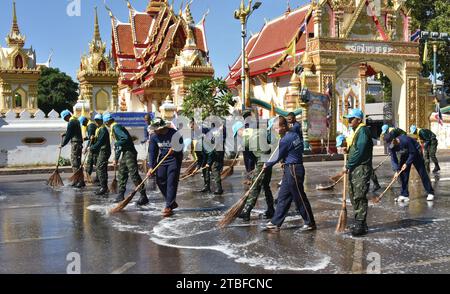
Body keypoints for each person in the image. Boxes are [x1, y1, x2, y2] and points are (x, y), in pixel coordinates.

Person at [262, 116, 316, 232]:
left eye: (276, 128)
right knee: (283, 197)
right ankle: (275, 222)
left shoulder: (286, 139)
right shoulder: (293, 134)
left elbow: (277, 156)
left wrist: (267, 164)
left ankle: (310, 222)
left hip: (294, 169)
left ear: (283, 126)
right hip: (289, 168)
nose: (275, 130)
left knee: (299, 197)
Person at [104, 113, 148, 206]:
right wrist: (116, 158)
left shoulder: (116, 127)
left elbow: (126, 139)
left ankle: (143, 195)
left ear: (107, 122)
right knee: (122, 173)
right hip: (125, 153)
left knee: (133, 174)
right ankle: (120, 194)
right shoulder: (114, 128)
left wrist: (117, 144)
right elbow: (119, 145)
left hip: (130, 152)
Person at [234, 120, 275, 221]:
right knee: (265, 186)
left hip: (262, 161)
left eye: (237, 134)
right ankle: (271, 209)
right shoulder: (258, 130)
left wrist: (254, 168)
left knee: (255, 186)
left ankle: (246, 211)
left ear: (239, 130)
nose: (238, 136)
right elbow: (270, 143)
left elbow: (250, 158)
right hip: (268, 159)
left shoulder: (245, 139)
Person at [343, 109, 373, 237]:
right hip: (355, 168)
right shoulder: (356, 132)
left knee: (359, 196)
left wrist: (349, 164)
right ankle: (359, 221)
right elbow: (355, 148)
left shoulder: (363, 131)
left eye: (352, 118)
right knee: (353, 194)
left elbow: (360, 152)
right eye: (349, 118)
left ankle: (360, 223)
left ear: (359, 120)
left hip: (361, 168)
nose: (349, 121)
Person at [385, 133, 435, 202]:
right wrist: (396, 171)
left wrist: (407, 163)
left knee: (422, 172)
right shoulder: (391, 147)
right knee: (403, 174)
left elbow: (413, 152)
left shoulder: (405, 140)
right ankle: (404, 194)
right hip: (405, 154)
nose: (391, 146)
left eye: (391, 143)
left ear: (394, 140)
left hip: (415, 152)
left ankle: (430, 192)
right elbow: (393, 158)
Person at [148, 118, 183, 217]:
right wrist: (151, 167)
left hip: (174, 159)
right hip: (163, 159)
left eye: (156, 128)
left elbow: (180, 147)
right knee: (160, 180)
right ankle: (171, 201)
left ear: (162, 127)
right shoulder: (154, 136)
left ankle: (168, 206)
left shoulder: (174, 134)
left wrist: (175, 150)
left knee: (171, 182)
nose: (154, 130)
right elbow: (152, 152)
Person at [60, 110, 85, 188]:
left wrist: (63, 144)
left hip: (75, 143)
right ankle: (79, 180)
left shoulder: (71, 122)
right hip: (78, 143)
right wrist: (65, 133)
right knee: (77, 162)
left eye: (64, 118)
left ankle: (78, 181)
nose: (64, 120)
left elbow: (69, 135)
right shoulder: (75, 120)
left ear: (66, 116)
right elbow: (71, 132)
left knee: (75, 163)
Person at [88, 114, 111, 196]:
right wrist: (92, 139)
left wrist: (92, 147)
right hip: (102, 150)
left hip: (104, 150)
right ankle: (104, 187)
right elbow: (97, 140)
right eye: (96, 120)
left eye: (98, 120)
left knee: (100, 167)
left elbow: (100, 142)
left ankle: (104, 187)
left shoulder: (103, 130)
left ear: (102, 121)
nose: (97, 122)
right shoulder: (99, 129)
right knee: (102, 167)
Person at [200, 122, 225, 195]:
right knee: (205, 169)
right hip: (209, 154)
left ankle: (219, 188)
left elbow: (211, 152)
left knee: (215, 169)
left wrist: (208, 162)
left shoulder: (211, 136)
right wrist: (203, 162)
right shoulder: (204, 137)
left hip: (216, 154)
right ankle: (206, 186)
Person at [242, 110, 256, 185]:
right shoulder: (244, 124)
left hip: (251, 146)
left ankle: (252, 179)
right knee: (247, 162)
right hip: (245, 146)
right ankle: (249, 178)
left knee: (251, 162)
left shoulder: (253, 124)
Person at [84, 116, 99, 183]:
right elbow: (91, 137)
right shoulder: (92, 124)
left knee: (92, 162)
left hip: (94, 147)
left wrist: (87, 148)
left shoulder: (90, 126)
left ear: (85, 121)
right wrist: (86, 138)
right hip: (94, 146)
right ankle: (90, 176)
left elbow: (91, 139)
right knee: (92, 162)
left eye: (83, 123)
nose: (83, 125)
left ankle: (91, 177)